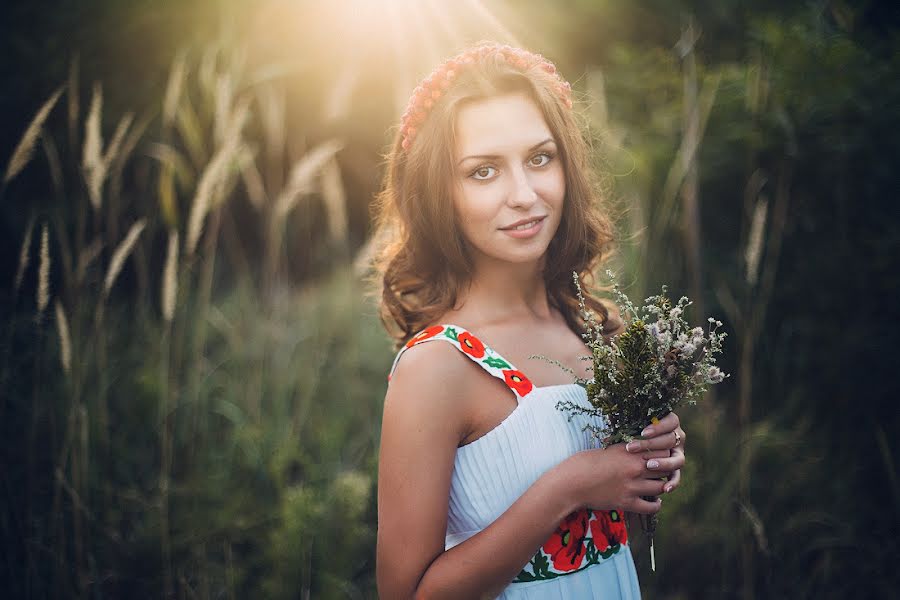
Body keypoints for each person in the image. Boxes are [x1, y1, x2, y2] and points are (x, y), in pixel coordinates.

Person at [372, 41, 687, 599]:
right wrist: (569, 486)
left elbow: (609, 534)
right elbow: (405, 595)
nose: (524, 194)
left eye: (540, 158)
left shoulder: (594, 331)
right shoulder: (438, 366)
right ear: (438, 192)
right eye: (483, 171)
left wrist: (646, 462)